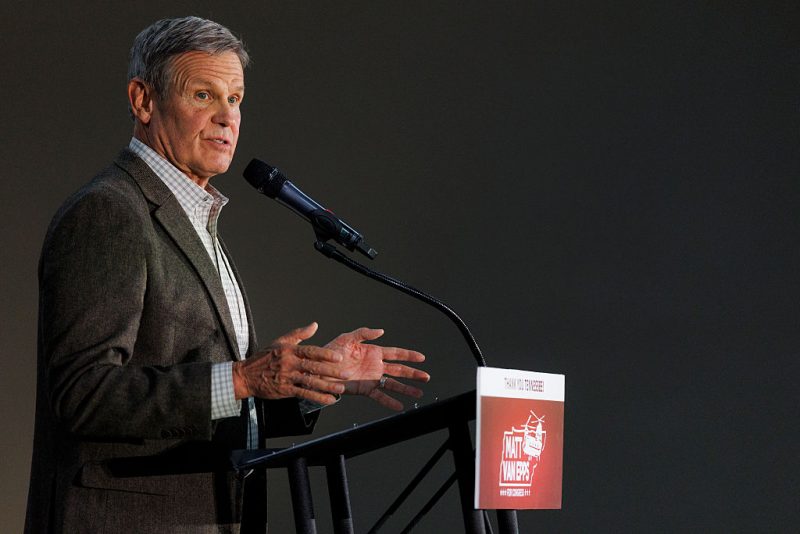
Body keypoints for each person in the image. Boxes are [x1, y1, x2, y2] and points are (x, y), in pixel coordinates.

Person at [25, 16, 429, 534]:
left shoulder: (195, 219)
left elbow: (213, 409)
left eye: (235, 99)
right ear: (143, 100)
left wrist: (308, 380)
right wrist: (242, 377)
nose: (226, 117)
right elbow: (83, 394)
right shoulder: (109, 212)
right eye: (203, 95)